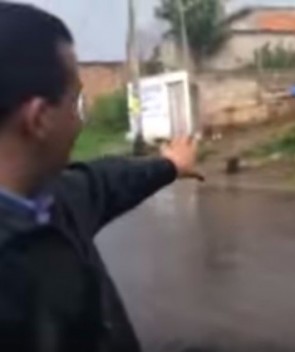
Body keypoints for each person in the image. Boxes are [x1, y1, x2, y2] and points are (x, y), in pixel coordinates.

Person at [0, 3, 202, 352]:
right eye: (77, 104)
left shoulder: (51, 200)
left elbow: (105, 180)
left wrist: (170, 165)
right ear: (39, 118)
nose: (80, 122)